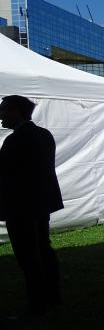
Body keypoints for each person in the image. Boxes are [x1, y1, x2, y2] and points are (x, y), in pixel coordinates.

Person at [0, 95, 64, 316]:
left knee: (27, 255)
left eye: (3, 110)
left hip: (20, 207)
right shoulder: (45, 135)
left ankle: (36, 304)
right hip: (42, 203)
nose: (1, 116)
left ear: (16, 111)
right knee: (43, 248)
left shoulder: (14, 140)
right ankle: (52, 295)